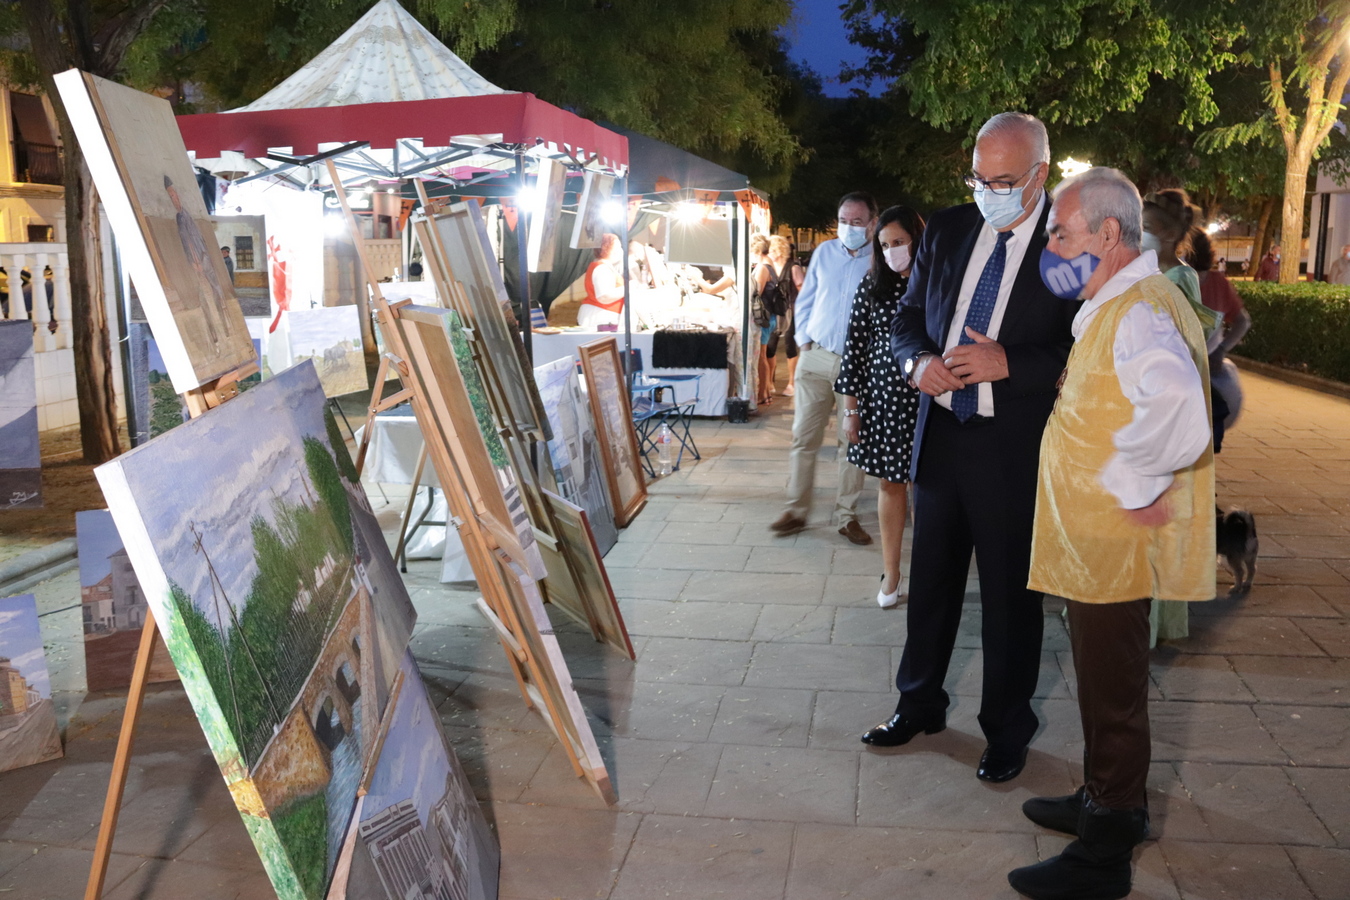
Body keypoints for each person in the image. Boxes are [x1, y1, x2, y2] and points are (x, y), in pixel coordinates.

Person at [1008, 166, 1214, 900]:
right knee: (1103, 687)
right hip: (1089, 545)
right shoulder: (1119, 299)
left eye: (1060, 232)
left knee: (1114, 693)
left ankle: (1106, 848)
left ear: (1106, 235)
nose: (1052, 246)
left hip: (1111, 547)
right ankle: (1105, 800)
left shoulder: (1141, 312)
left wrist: (1131, 488)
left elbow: (1184, 411)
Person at [863, 113, 1075, 787]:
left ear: (1039, 176)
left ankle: (1007, 730)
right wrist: (915, 361)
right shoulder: (952, 228)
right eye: (978, 178)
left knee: (1013, 600)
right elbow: (906, 318)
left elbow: (1083, 345)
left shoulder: (1067, 243)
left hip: (1012, 444)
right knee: (930, 585)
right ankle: (918, 703)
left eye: (1004, 181)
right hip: (942, 436)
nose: (988, 191)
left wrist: (1009, 360)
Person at [771, 192, 877, 545]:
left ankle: (847, 516)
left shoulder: (881, 259)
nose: (848, 227)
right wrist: (802, 344)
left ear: (872, 223)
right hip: (817, 357)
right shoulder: (825, 253)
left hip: (856, 365)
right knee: (804, 437)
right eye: (844, 221)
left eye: (857, 222)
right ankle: (796, 510)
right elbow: (809, 297)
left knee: (851, 441)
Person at [835, 206, 924, 608]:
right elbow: (853, 350)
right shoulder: (872, 285)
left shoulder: (937, 284)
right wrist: (851, 410)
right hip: (884, 403)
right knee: (890, 486)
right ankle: (892, 573)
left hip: (929, 402)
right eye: (885, 245)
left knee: (928, 491)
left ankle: (928, 573)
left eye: (899, 242)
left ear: (916, 240)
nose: (892, 252)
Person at [1187, 228, 1252, 451]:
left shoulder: (1173, 281)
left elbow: (1243, 321)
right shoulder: (1217, 282)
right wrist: (1220, 350)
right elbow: (1242, 321)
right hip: (1208, 372)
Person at [1141, 189, 1219, 347]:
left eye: (1146, 228)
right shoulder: (1155, 273)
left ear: (1171, 234)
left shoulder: (1179, 280)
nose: (1139, 235)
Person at [765, 236, 804, 396]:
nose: (769, 253)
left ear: (777, 250)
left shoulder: (793, 267)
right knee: (770, 346)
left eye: (771, 250)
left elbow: (803, 290)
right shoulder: (770, 267)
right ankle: (769, 382)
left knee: (790, 345)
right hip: (775, 311)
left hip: (791, 311)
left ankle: (791, 383)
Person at [577, 233, 625, 328]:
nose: (620, 250)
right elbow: (604, 296)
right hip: (600, 317)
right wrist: (628, 288)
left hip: (602, 315)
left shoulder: (604, 266)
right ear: (607, 248)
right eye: (618, 247)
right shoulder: (602, 268)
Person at [749, 235, 775, 406]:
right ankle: (765, 392)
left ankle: (762, 393)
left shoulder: (763, 268)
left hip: (764, 317)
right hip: (769, 316)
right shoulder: (769, 265)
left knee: (761, 357)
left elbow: (755, 291)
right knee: (763, 356)